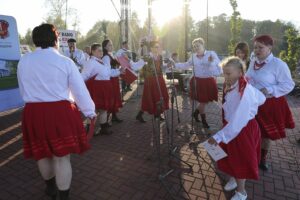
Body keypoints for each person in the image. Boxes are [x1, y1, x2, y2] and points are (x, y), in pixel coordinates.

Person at [17, 24, 96, 200]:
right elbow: (79, 91)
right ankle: (63, 196)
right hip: (59, 112)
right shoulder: (64, 62)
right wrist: (90, 111)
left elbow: (23, 90)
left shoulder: (24, 60)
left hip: (33, 112)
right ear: (55, 40)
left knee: (42, 153)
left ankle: (50, 188)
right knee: (61, 158)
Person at [208, 57, 266, 200]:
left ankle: (242, 192)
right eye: (224, 73)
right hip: (232, 126)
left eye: (228, 74)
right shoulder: (235, 85)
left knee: (241, 159)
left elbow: (239, 120)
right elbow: (262, 98)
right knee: (227, 154)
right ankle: (234, 178)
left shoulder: (245, 91)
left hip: (242, 129)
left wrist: (218, 136)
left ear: (240, 73)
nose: (225, 77)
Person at [246, 34, 295, 170]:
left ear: (270, 47)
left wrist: (270, 89)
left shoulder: (278, 64)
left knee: (265, 134)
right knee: (250, 130)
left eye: (260, 47)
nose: (256, 50)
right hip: (251, 102)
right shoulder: (253, 59)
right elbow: (249, 76)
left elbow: (288, 85)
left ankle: (262, 158)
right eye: (255, 47)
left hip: (269, 104)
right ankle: (251, 154)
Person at [170, 38, 222, 128]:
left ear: (203, 45)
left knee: (204, 102)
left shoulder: (211, 53)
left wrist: (211, 62)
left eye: (198, 45)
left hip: (208, 81)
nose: (196, 48)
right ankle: (204, 120)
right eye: (194, 46)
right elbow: (186, 65)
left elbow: (218, 66)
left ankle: (196, 113)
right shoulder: (193, 56)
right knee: (203, 102)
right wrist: (175, 65)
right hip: (197, 81)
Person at [82, 43, 123, 135]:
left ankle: (103, 128)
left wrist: (119, 71)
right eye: (99, 50)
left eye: (101, 50)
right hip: (97, 88)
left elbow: (108, 73)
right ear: (93, 51)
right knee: (94, 109)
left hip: (104, 87)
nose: (101, 52)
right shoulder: (91, 62)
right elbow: (84, 75)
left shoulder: (101, 61)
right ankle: (89, 128)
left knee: (104, 108)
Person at [135, 40, 169, 123]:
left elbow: (161, 66)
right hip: (150, 80)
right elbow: (138, 65)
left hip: (159, 78)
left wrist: (167, 65)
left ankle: (158, 113)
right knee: (149, 97)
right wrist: (130, 63)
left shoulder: (160, 56)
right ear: (151, 48)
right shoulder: (147, 57)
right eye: (155, 47)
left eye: (158, 47)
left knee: (160, 96)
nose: (157, 49)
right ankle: (140, 114)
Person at [102, 39, 123, 123]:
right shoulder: (106, 57)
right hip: (110, 79)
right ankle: (106, 121)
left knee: (114, 97)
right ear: (105, 47)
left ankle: (114, 116)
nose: (111, 46)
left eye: (111, 44)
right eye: (109, 45)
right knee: (111, 98)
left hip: (115, 79)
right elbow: (108, 71)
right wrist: (119, 71)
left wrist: (119, 69)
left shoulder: (111, 54)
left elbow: (115, 67)